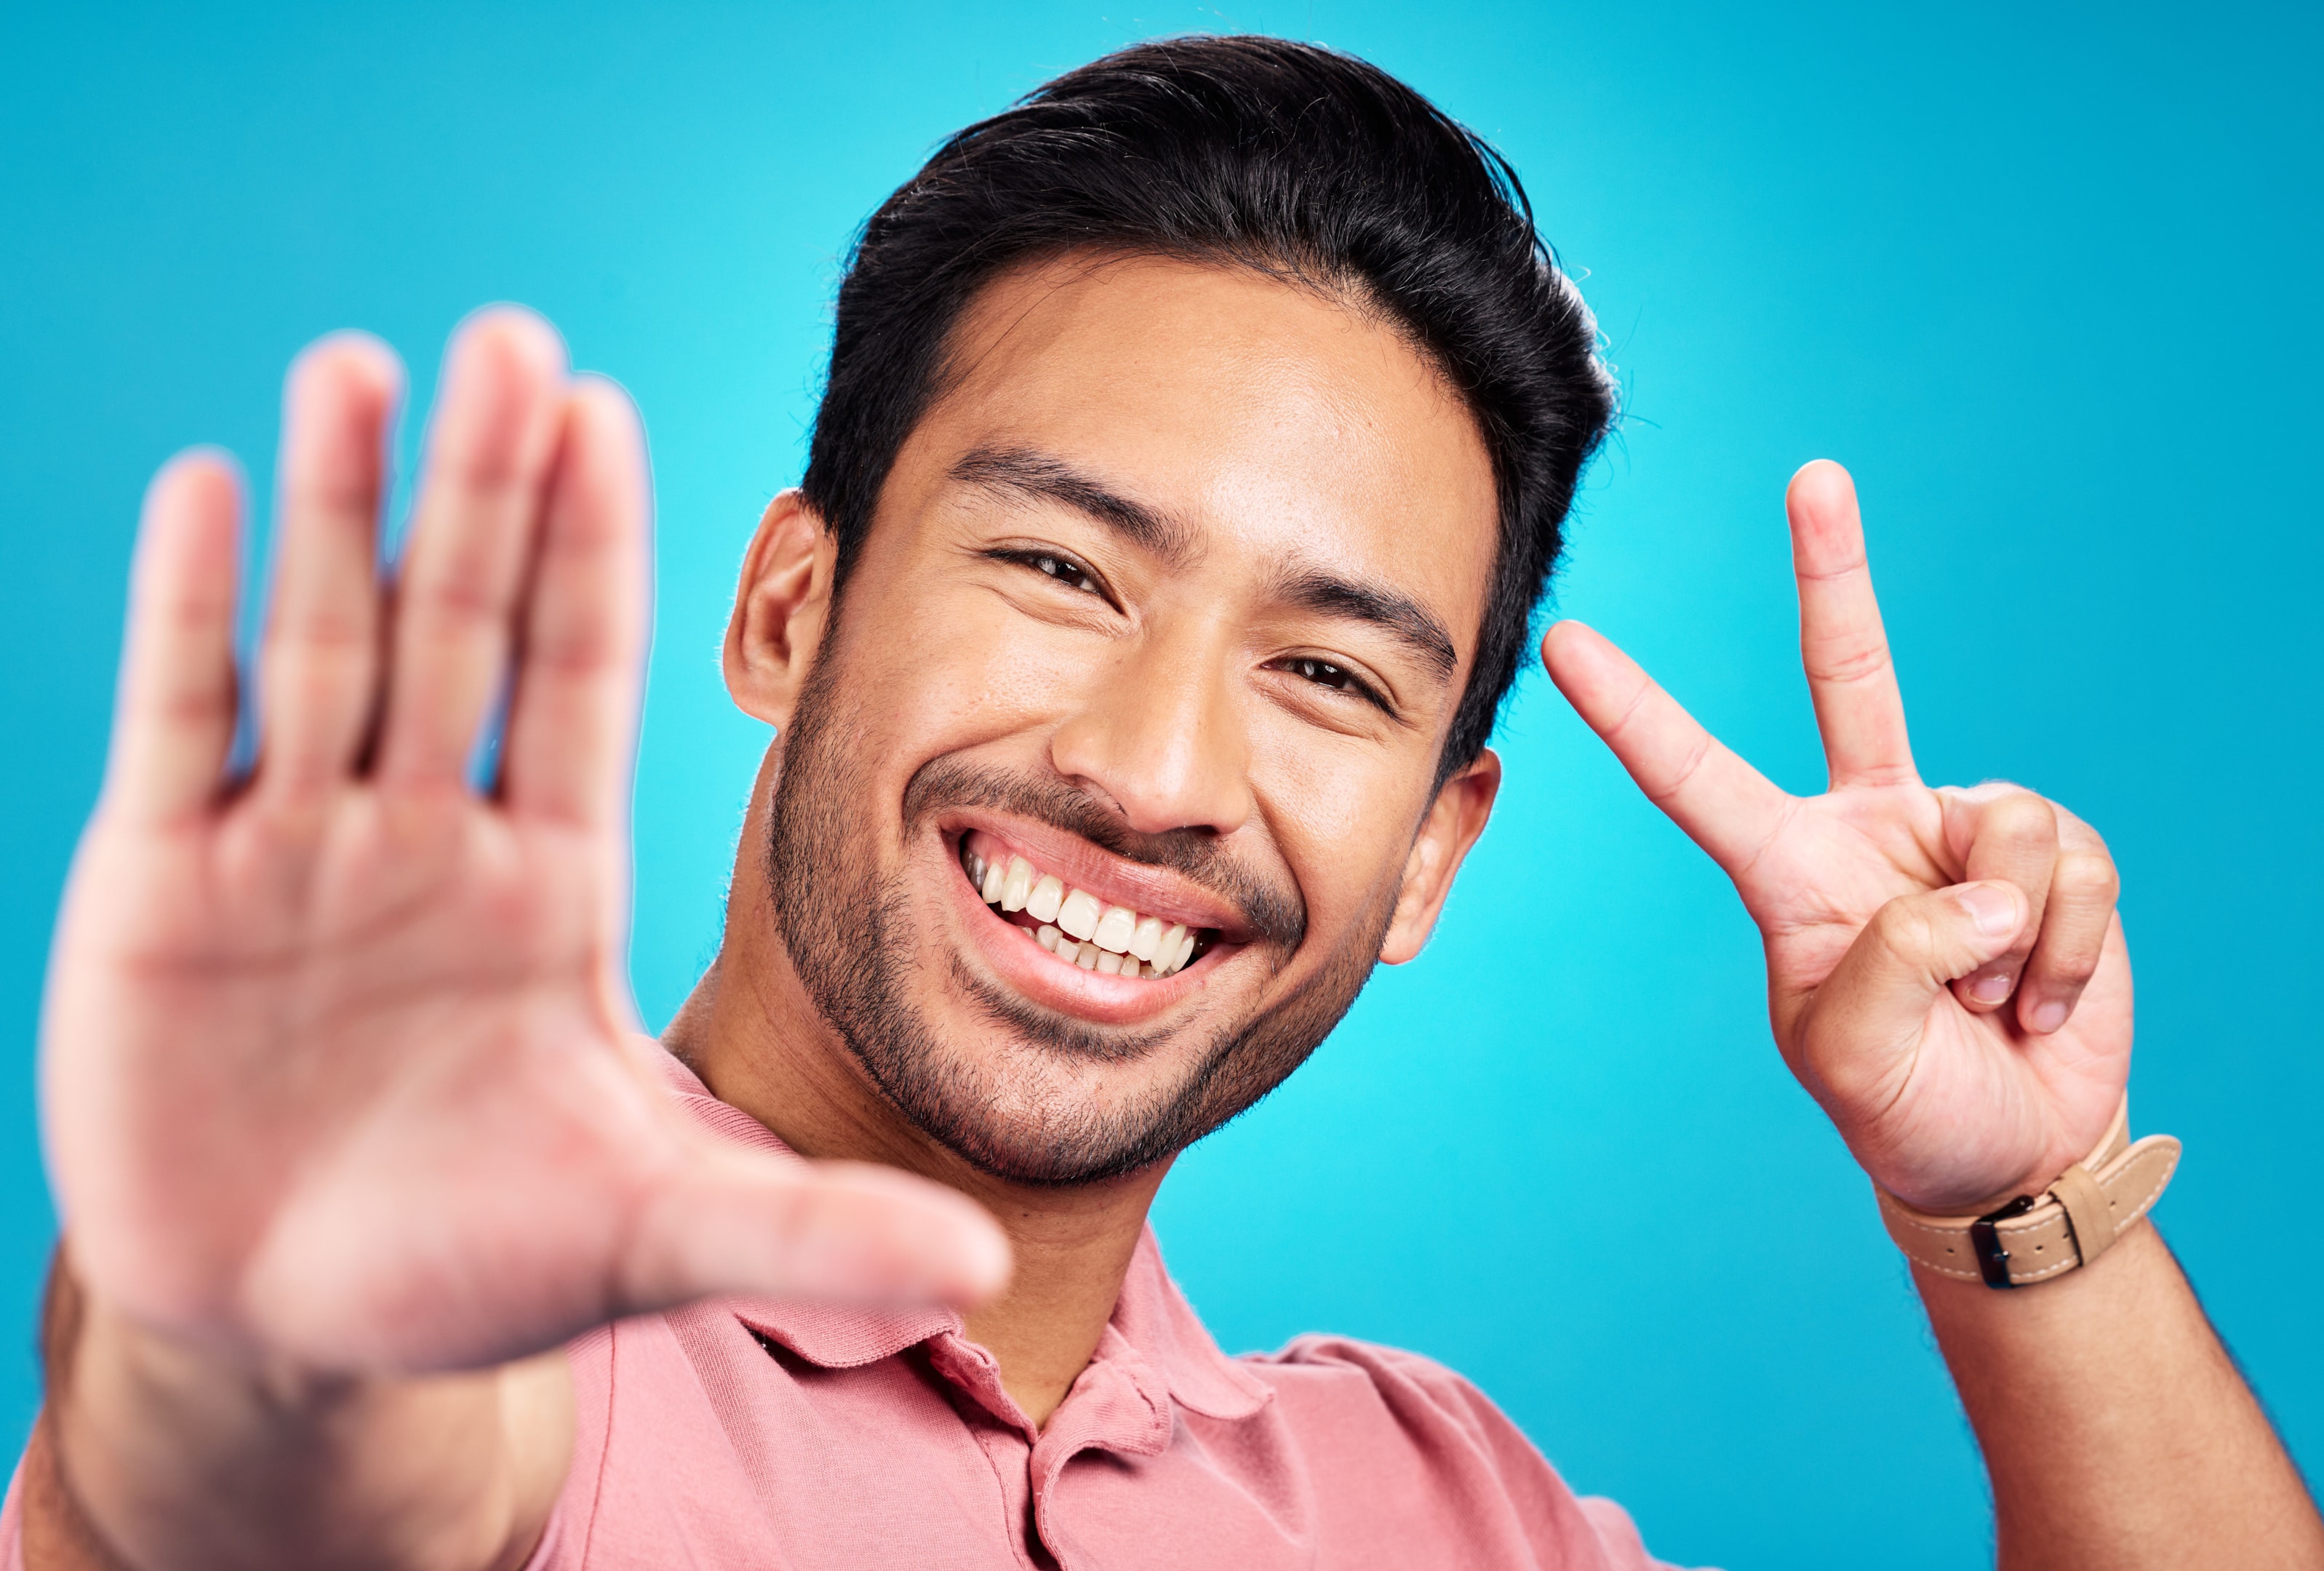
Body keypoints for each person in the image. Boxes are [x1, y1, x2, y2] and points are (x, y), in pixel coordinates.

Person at [8, 33, 2317, 1571]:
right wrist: (250, 1328)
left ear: (1431, 854)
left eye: (1324, 672)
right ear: (791, 608)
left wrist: (2022, 1215)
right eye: (1058, 570)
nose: (1152, 773)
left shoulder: (1439, 1511)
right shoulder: (508, 1345)